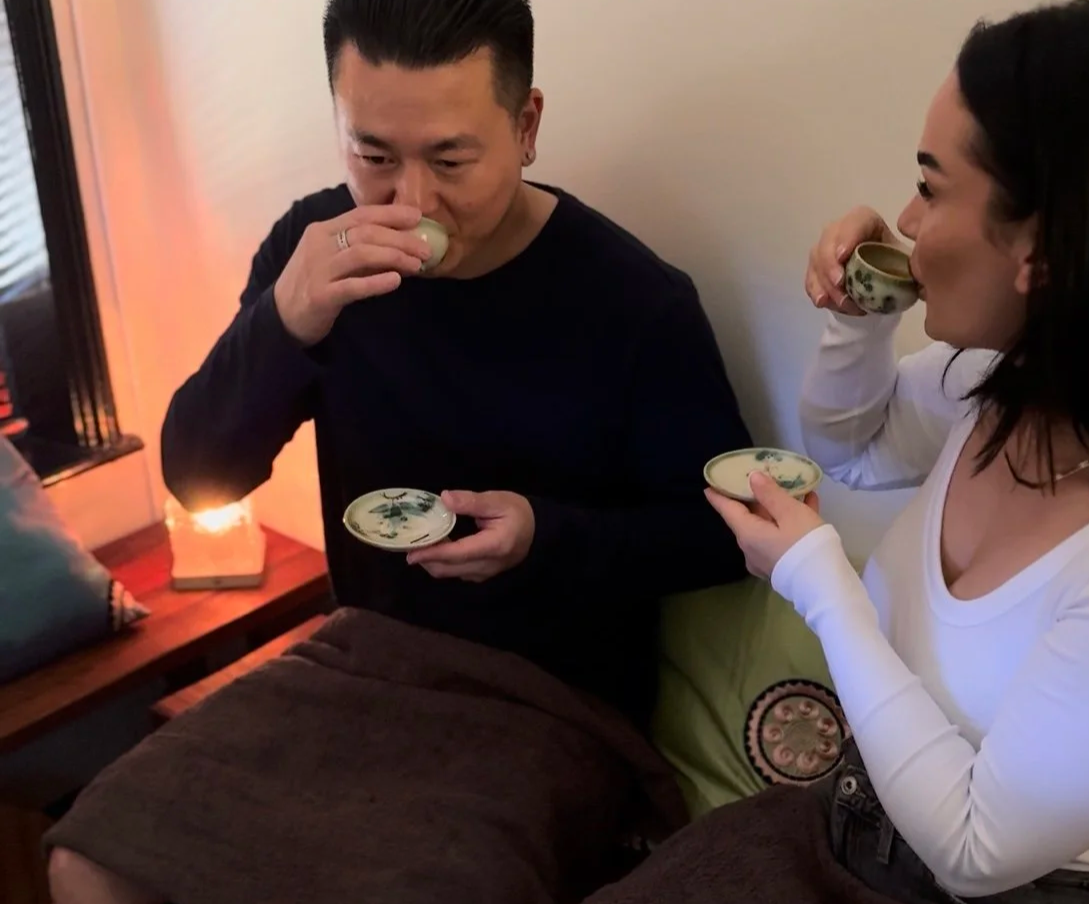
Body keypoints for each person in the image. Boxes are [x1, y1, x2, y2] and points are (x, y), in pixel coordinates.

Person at [45, 0, 752, 901]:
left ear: (526, 125)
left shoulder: (634, 302)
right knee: (93, 856)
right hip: (357, 659)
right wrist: (285, 319)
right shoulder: (319, 254)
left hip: (553, 707)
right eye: (373, 157)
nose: (411, 202)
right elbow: (198, 474)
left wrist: (548, 536)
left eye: (450, 160)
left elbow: (720, 539)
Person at [592, 1, 1089, 903]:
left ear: (1040, 243)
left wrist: (816, 576)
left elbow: (975, 849)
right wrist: (863, 313)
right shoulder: (1010, 385)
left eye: (933, 185)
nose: (908, 220)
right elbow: (853, 448)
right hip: (859, 826)